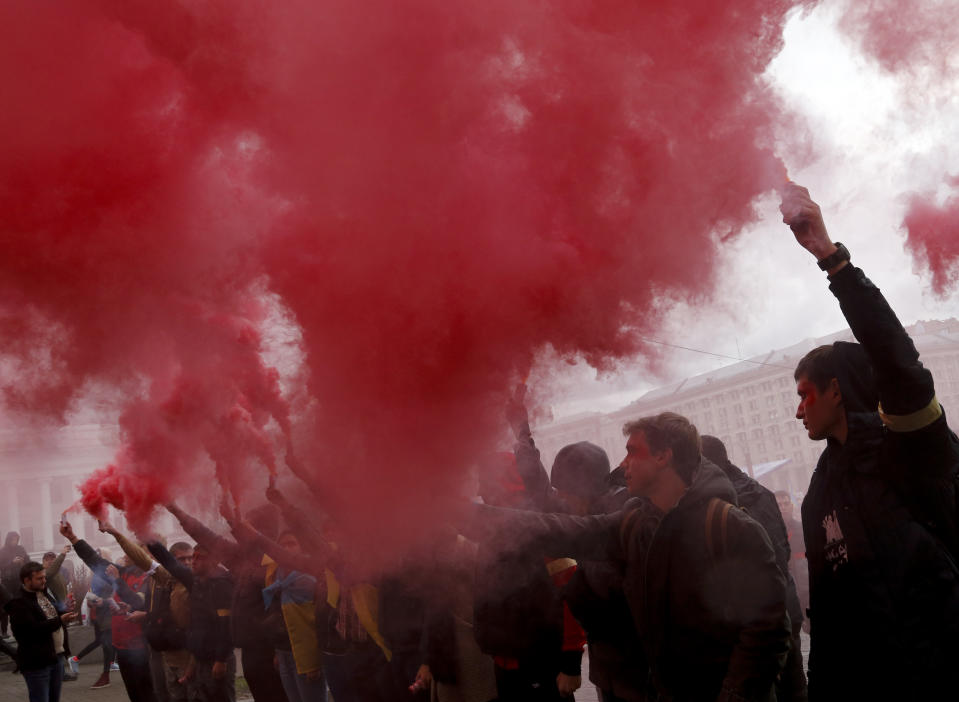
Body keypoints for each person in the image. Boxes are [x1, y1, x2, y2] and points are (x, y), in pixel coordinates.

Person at [468, 412, 791, 702]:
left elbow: (768, 629)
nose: (623, 465)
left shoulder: (730, 526)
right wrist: (466, 515)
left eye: (632, 452)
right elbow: (556, 527)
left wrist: (732, 695)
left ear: (664, 456)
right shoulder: (634, 523)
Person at [780, 183, 959, 699]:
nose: (797, 409)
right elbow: (830, 618)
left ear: (836, 391)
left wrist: (833, 261)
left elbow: (900, 364)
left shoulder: (906, 451)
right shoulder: (819, 492)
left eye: (806, 394)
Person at [700, 435, 807, 702]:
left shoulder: (722, 505)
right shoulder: (761, 492)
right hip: (784, 609)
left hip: (758, 623)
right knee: (794, 690)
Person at [166, 502, 286, 702]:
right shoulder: (241, 559)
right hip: (251, 649)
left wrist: (279, 650)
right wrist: (177, 511)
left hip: (271, 650)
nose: (241, 531)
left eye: (248, 525)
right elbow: (206, 537)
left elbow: (282, 608)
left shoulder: (276, 561)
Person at [60, 520, 155, 701]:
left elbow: (137, 602)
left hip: (143, 649)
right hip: (123, 648)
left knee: (149, 695)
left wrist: (118, 581)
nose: (128, 552)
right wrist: (72, 538)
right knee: (135, 695)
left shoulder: (150, 578)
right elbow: (94, 560)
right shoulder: (124, 572)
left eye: (135, 549)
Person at [148, 540, 236, 702]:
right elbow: (170, 562)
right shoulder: (197, 582)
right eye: (192, 557)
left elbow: (226, 626)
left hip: (216, 659)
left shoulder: (221, 584)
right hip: (201, 659)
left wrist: (221, 660)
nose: (192, 562)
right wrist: (147, 536)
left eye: (198, 557)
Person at [4, 561, 78, 702]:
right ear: (27, 580)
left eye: (44, 577)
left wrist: (65, 608)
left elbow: (52, 614)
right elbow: (31, 630)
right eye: (39, 578)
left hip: (56, 657)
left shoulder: (44, 593)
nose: (44, 580)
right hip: (37, 662)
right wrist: (60, 620)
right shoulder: (19, 603)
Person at [774, 490, 808, 634]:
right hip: (785, 597)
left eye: (786, 503)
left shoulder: (803, 529)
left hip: (806, 593)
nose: (783, 507)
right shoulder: (770, 534)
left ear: (792, 506)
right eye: (779, 504)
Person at [1, 531, 29, 640]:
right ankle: (4, 631)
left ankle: (20, 629)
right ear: (8, 539)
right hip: (6, 582)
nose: (14, 541)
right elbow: (1, 566)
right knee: (6, 606)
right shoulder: (2, 551)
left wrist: (23, 562)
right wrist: (12, 563)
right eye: (12, 539)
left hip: (18, 580)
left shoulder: (20, 549)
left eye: (16, 539)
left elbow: (27, 561)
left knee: (20, 605)